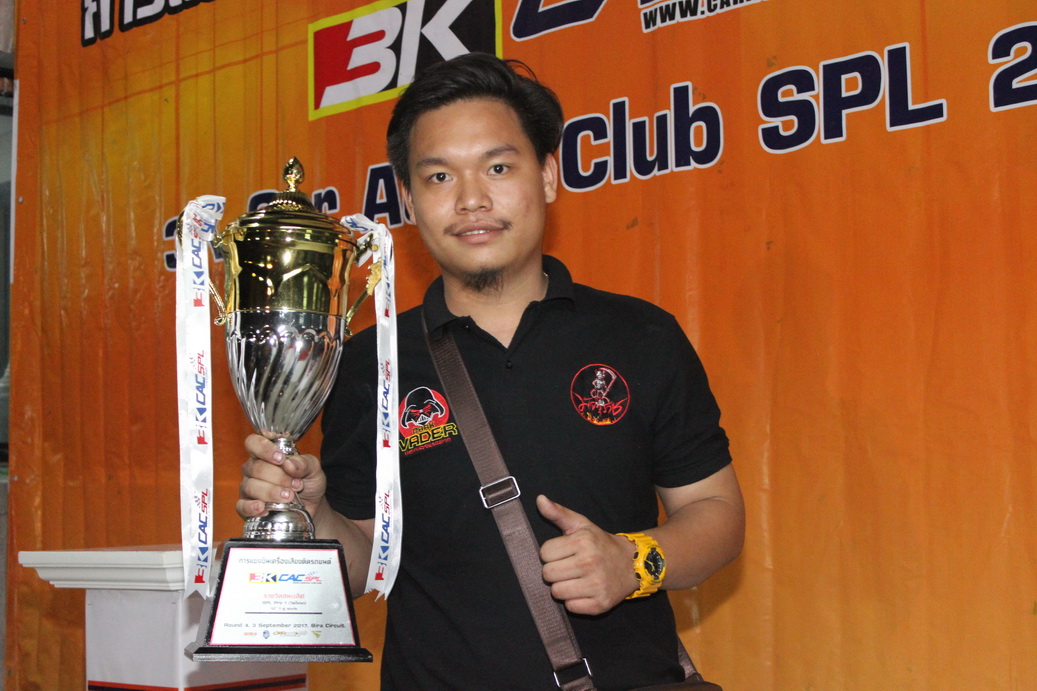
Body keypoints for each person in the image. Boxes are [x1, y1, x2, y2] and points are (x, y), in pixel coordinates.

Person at [239, 52, 744, 690]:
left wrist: (633, 560)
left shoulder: (640, 335)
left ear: (548, 175)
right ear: (409, 200)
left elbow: (716, 513)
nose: (472, 200)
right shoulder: (368, 364)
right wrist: (315, 517)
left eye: (498, 167)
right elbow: (366, 558)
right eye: (439, 176)